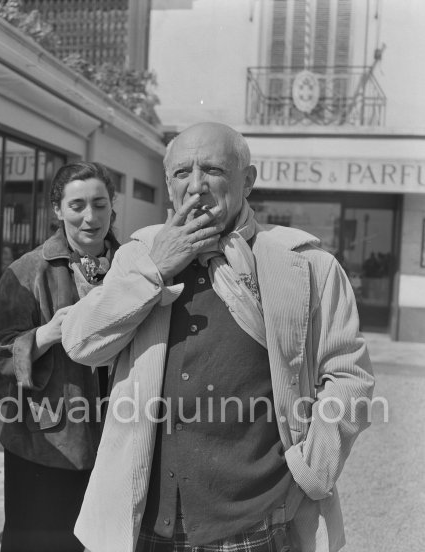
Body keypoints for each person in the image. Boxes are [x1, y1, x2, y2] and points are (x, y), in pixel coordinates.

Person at [61, 122, 375, 552]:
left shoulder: (305, 264)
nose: (195, 187)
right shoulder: (138, 254)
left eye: (212, 169)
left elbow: (349, 376)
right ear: (168, 184)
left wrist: (308, 471)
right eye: (181, 173)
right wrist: (155, 269)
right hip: (147, 523)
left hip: (254, 524)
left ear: (248, 181)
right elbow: (81, 343)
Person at [0, 161, 120, 552]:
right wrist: (44, 335)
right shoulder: (28, 270)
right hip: (44, 447)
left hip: (119, 442)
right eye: (77, 205)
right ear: (57, 210)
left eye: (100, 203)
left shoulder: (135, 268)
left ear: (113, 207)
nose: (90, 217)